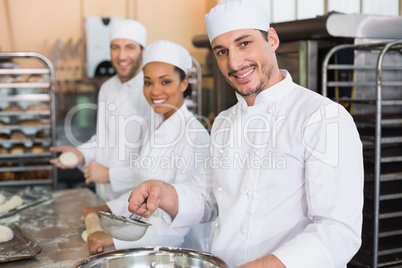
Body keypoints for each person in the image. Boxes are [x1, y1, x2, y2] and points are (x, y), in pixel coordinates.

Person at [127, 0, 364, 267]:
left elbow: (337, 230)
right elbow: (207, 198)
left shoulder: (322, 117)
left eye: (244, 43)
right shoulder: (224, 123)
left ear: (271, 39)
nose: (235, 62)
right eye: (222, 51)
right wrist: (161, 192)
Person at [83, 40, 211, 254]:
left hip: (179, 252)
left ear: (184, 83)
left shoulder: (194, 137)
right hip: (149, 245)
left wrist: (115, 240)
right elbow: (144, 190)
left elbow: (182, 223)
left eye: (166, 81)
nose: (155, 91)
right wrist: (107, 209)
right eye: (148, 82)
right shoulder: (155, 126)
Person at [50, 19, 156, 201]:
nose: (121, 56)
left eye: (129, 47)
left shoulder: (153, 93)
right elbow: (104, 139)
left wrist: (110, 175)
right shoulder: (107, 88)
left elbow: (157, 162)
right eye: (115, 47)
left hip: (138, 202)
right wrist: (81, 153)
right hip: (105, 197)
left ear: (143, 52)